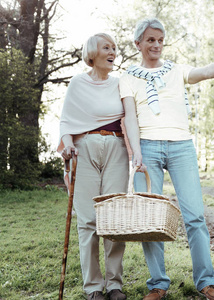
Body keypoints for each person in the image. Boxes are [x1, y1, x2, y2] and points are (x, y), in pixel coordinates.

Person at [120, 18, 214, 300]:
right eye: (150, 40)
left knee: (195, 216)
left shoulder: (176, 70)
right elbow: (131, 117)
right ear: (138, 44)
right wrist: (136, 153)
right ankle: (158, 284)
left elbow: (207, 71)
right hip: (146, 146)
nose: (157, 45)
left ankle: (206, 282)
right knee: (151, 218)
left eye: (160, 40)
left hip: (181, 146)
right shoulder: (128, 77)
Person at [58, 33, 129, 300]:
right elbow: (66, 122)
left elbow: (131, 116)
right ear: (93, 53)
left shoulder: (121, 84)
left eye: (114, 48)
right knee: (88, 219)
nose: (113, 52)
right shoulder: (78, 83)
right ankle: (93, 287)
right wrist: (67, 144)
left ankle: (114, 284)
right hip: (84, 148)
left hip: (116, 147)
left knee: (113, 217)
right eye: (106, 48)